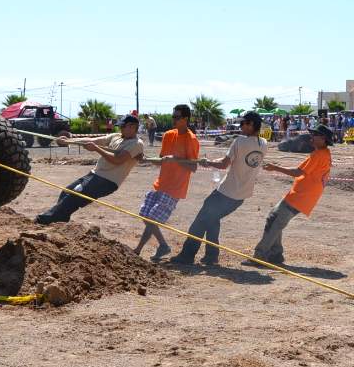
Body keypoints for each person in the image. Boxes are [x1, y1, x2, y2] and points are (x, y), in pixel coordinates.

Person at [169, 111, 268, 265]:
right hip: (241, 195)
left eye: (243, 123)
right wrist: (212, 161)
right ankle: (211, 256)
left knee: (200, 221)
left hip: (226, 192)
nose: (241, 126)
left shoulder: (240, 142)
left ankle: (188, 255)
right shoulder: (263, 143)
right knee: (212, 219)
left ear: (251, 124)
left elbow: (224, 164)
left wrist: (207, 162)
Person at [244, 124, 333, 266]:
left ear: (323, 139)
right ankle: (276, 254)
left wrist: (275, 168)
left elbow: (297, 172)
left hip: (300, 197)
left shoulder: (319, 155)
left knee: (275, 222)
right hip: (302, 196)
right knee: (274, 218)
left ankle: (260, 256)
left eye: (315, 134)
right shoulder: (323, 153)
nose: (311, 136)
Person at [35, 115, 144, 225]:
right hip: (95, 174)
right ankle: (60, 220)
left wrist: (96, 149)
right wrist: (69, 141)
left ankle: (45, 219)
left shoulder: (136, 144)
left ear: (132, 127)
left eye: (122, 126)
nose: (120, 129)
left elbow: (117, 160)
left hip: (108, 181)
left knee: (75, 196)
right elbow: (93, 140)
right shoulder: (117, 136)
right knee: (67, 191)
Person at [134, 104, 200, 261]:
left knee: (152, 218)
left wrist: (176, 160)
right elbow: (161, 160)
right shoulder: (168, 135)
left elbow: (193, 166)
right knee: (145, 215)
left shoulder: (191, 140)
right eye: (173, 116)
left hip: (175, 188)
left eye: (177, 117)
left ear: (185, 119)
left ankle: (138, 249)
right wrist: (146, 160)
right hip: (161, 183)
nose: (173, 120)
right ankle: (163, 245)